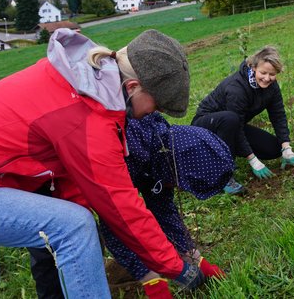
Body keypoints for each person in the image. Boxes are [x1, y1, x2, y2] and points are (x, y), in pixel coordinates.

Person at [0, 28, 204, 298]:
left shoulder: (78, 80)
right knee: (74, 227)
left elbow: (70, 178)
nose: (154, 113)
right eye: (157, 105)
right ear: (132, 87)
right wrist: (177, 267)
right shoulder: (86, 116)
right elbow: (121, 206)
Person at [30, 112, 234, 299]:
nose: (181, 189)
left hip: (86, 184)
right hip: (47, 176)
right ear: (179, 167)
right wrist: (150, 277)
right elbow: (115, 222)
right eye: (183, 184)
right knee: (55, 249)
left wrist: (194, 257)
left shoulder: (163, 157)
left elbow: (164, 211)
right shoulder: (129, 151)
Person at [191, 46, 294, 195]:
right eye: (263, 73)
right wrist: (253, 160)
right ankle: (223, 177)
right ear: (253, 67)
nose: (267, 78)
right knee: (230, 119)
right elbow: (235, 125)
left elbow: (278, 114)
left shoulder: (271, 86)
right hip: (205, 127)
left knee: (273, 148)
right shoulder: (237, 88)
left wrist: (286, 148)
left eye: (272, 74)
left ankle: (229, 148)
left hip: (232, 125)